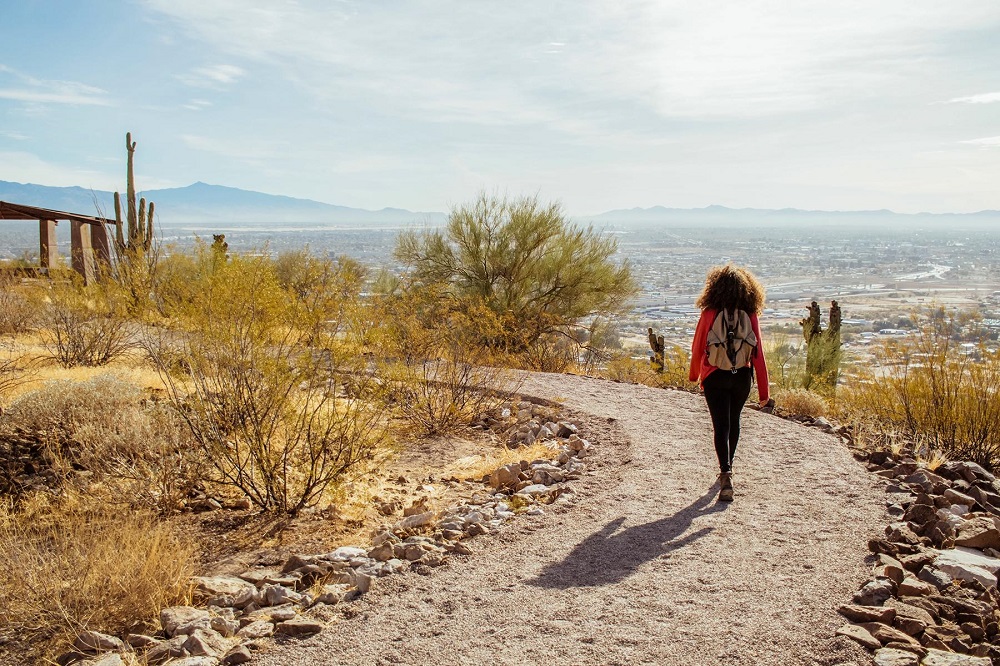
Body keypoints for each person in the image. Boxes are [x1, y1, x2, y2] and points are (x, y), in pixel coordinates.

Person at [688, 264, 770, 502]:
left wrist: (695, 375)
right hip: (741, 376)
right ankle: (728, 468)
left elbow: (697, 348)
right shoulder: (751, 314)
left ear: (715, 287)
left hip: (715, 376)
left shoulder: (708, 313)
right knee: (734, 422)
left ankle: (725, 472)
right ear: (748, 290)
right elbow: (759, 354)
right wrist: (764, 391)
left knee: (720, 425)